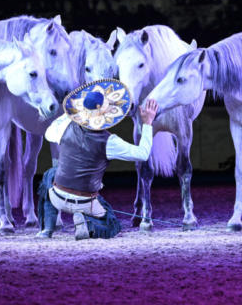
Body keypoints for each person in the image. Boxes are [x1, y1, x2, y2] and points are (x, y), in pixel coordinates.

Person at [36, 79, 158, 240]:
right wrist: (147, 123)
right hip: (86, 202)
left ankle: (47, 229)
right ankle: (88, 224)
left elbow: (48, 133)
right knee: (113, 223)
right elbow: (142, 154)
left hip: (57, 197)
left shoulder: (64, 127)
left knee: (49, 175)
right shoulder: (110, 141)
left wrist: (70, 115)